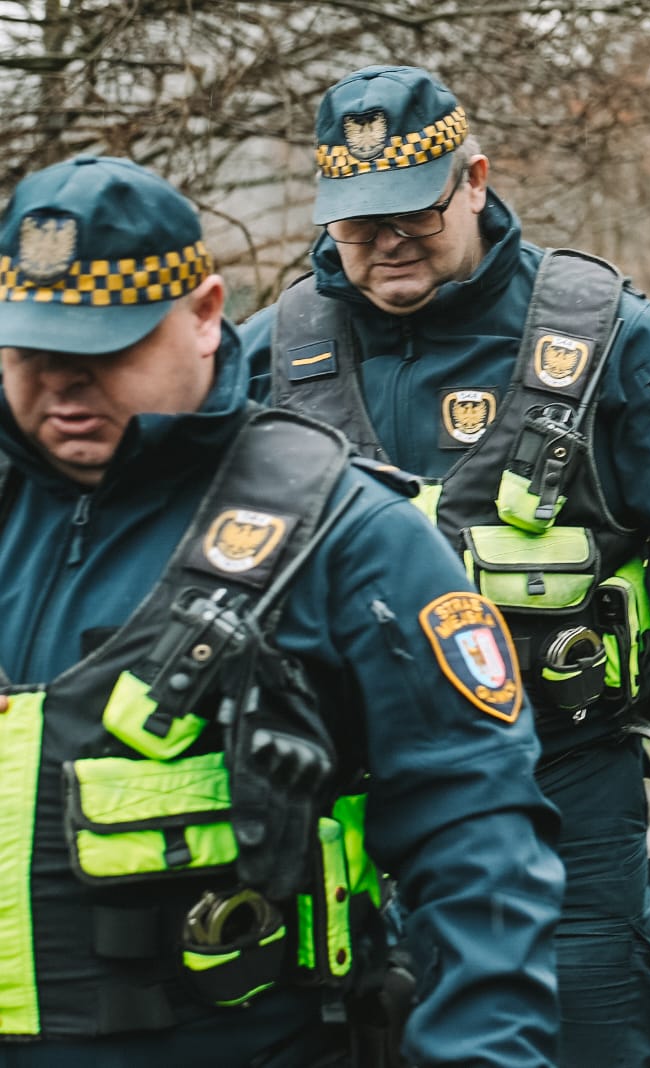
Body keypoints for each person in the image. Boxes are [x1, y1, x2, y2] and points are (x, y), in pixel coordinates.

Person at [240, 65, 650, 1067]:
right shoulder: (273, 354)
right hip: (336, 802)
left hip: (562, 774)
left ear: (475, 180)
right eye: (359, 227)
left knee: (586, 1036)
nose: (386, 246)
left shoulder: (601, 329)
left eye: (412, 216)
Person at [0, 156, 564, 1065]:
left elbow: (479, 842)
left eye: (104, 352)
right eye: (31, 352)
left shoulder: (348, 535)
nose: (64, 387)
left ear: (204, 313)